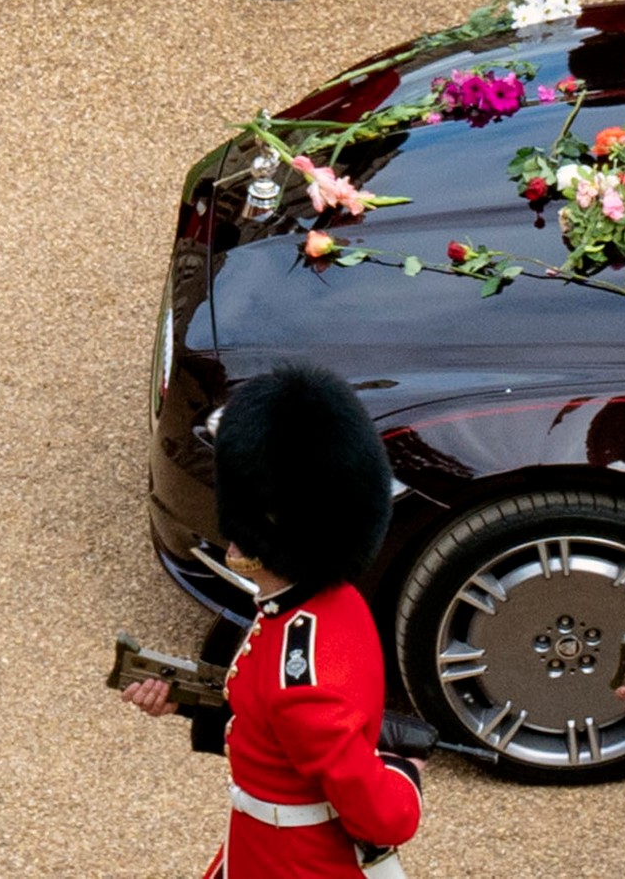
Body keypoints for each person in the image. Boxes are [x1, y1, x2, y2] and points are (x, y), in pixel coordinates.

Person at [121, 362, 425, 879]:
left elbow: (386, 816)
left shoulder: (301, 674)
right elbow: (274, 728)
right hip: (258, 843)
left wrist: (402, 774)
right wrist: (190, 705)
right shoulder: (327, 601)